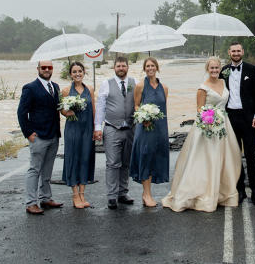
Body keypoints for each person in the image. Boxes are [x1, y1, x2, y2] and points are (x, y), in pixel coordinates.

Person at [162, 57, 242, 212]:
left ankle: (220, 192)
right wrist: (210, 119)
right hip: (207, 126)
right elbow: (199, 109)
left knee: (225, 158)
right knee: (207, 159)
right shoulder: (202, 88)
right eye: (211, 68)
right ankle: (202, 193)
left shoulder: (223, 83)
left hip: (224, 125)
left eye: (216, 68)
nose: (214, 71)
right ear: (207, 69)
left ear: (220, 69)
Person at [16, 60, 63, 215]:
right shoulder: (30, 88)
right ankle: (31, 202)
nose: (47, 70)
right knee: (34, 169)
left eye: (50, 67)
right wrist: (28, 133)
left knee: (47, 170)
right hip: (38, 136)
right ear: (38, 69)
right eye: (44, 67)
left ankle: (46, 198)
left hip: (53, 134)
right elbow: (22, 113)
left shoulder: (55, 87)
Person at [223, 42, 255, 205]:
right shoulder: (223, 71)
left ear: (243, 51)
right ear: (229, 52)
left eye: (238, 50)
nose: (236, 53)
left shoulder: (252, 69)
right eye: (233, 51)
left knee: (250, 155)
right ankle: (240, 191)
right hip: (230, 117)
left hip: (248, 118)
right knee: (235, 156)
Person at [95, 55, 136, 208]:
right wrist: (98, 127)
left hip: (130, 128)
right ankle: (112, 196)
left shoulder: (134, 82)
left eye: (123, 66)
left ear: (127, 67)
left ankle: (123, 193)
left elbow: (138, 102)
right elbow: (100, 106)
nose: (121, 68)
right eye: (118, 66)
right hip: (112, 128)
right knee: (112, 163)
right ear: (114, 68)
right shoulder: (107, 83)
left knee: (126, 162)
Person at [129, 57, 169, 207]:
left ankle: (148, 192)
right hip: (145, 128)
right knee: (146, 157)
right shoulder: (140, 86)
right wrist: (143, 117)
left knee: (156, 157)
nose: (150, 68)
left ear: (157, 68)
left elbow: (164, 107)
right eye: (147, 66)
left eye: (152, 66)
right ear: (144, 69)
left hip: (160, 128)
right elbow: (137, 106)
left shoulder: (164, 88)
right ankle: (146, 194)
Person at [60, 61, 96, 209]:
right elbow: (62, 110)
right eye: (74, 72)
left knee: (85, 159)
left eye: (80, 71)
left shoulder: (90, 89)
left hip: (87, 128)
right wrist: (68, 112)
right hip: (73, 129)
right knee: (73, 159)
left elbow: (93, 109)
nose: (77, 74)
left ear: (84, 72)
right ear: (70, 74)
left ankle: (82, 194)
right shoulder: (66, 91)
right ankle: (75, 195)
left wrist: (96, 128)